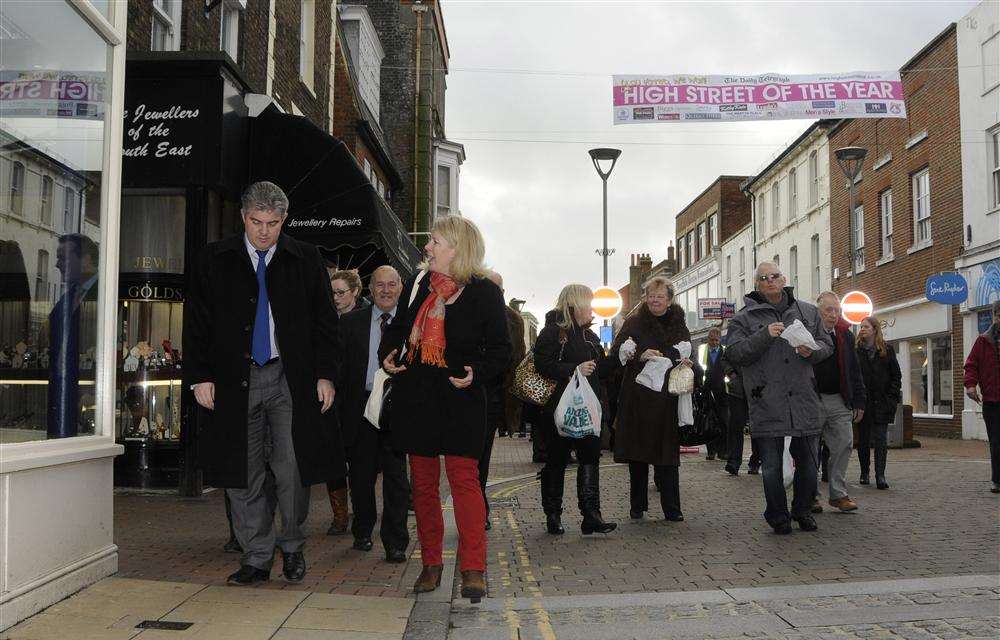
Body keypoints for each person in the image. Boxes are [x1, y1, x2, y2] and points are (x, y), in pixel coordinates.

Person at [184, 181, 345, 585]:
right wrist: (200, 376)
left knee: (291, 467)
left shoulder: (305, 258)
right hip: (233, 379)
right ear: (243, 216)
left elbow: (327, 323)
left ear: (284, 220)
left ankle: (291, 546)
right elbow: (197, 323)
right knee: (242, 470)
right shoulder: (214, 259)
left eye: (273, 223)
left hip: (289, 378)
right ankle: (256, 556)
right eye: (256, 222)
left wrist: (326, 375)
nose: (264, 232)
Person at [379, 216, 511, 601]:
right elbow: (397, 329)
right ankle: (431, 563)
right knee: (422, 486)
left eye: (435, 241)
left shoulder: (485, 292)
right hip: (417, 396)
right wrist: (387, 354)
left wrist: (477, 372)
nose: (429, 247)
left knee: (465, 483)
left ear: (458, 247)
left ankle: (473, 568)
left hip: (461, 398)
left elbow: (502, 350)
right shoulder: (418, 284)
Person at [725, 262, 832, 534]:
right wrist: (764, 335)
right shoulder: (743, 318)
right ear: (757, 284)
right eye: (763, 278)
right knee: (771, 466)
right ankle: (778, 516)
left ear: (784, 279)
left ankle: (803, 510)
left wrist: (813, 351)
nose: (770, 281)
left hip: (803, 400)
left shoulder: (807, 311)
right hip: (766, 400)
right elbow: (735, 353)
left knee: (809, 464)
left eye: (774, 276)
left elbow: (826, 344)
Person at [336, 265, 410, 561]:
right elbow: (339, 369)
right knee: (361, 475)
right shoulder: (350, 323)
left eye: (392, 285)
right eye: (380, 285)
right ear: (370, 289)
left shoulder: (411, 325)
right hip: (361, 407)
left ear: (400, 289)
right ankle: (363, 530)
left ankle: (395, 542)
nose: (386, 290)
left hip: (397, 407)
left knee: (396, 479)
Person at [534, 284, 618, 536]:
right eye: (588, 304)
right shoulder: (551, 333)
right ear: (574, 305)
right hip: (559, 409)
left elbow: (601, 370)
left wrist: (619, 358)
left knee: (590, 457)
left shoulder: (590, 337)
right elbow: (542, 364)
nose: (591, 309)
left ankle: (591, 515)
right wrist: (574, 369)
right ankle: (553, 514)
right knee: (557, 460)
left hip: (588, 409)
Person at [608, 277, 694, 522]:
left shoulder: (679, 323)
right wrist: (640, 356)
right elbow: (617, 353)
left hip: (667, 397)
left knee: (668, 456)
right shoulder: (634, 322)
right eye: (651, 296)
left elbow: (688, 350)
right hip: (639, 397)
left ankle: (672, 508)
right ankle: (638, 506)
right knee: (638, 455)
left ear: (669, 299)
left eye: (660, 296)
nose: (655, 300)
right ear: (645, 298)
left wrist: (685, 360)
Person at [479, 272, 526, 530]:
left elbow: (515, 360)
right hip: (466, 393)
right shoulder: (469, 310)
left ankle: (479, 509)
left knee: (481, 457)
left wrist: (510, 410)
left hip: (494, 394)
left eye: (500, 289)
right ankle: (475, 508)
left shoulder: (513, 320)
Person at [813, 293, 866, 511]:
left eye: (837, 310)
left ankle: (838, 494)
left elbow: (855, 370)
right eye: (828, 310)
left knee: (844, 443)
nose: (833, 315)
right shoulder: (808, 333)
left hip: (839, 399)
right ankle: (811, 496)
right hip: (812, 399)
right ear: (818, 311)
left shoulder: (846, 335)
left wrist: (859, 401)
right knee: (810, 450)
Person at [326, 268, 368, 534]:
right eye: (332, 293)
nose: (336, 297)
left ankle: (361, 511)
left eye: (341, 292)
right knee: (332, 458)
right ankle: (340, 515)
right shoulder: (325, 319)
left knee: (360, 460)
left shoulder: (367, 319)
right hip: (330, 399)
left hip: (357, 400)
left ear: (355, 292)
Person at [856, 315, 902, 490]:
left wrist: (892, 398)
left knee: (881, 441)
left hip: (882, 402)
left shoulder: (887, 350)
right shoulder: (857, 350)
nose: (862, 329)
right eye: (861, 327)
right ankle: (864, 472)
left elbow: (896, 376)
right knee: (864, 440)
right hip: (863, 403)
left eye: (866, 326)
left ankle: (880, 475)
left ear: (875, 329)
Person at [964, 300, 1000, 494]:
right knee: (996, 441)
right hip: (993, 401)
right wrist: (970, 385)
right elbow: (971, 365)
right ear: (995, 316)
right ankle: (997, 480)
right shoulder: (983, 341)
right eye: (999, 315)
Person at [703, 327, 729, 463]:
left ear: (719, 340)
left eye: (716, 340)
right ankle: (711, 451)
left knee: (724, 422)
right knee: (709, 422)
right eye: (711, 340)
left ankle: (723, 451)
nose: (713, 343)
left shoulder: (725, 353)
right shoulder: (703, 352)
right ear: (708, 340)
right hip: (707, 391)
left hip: (722, 392)